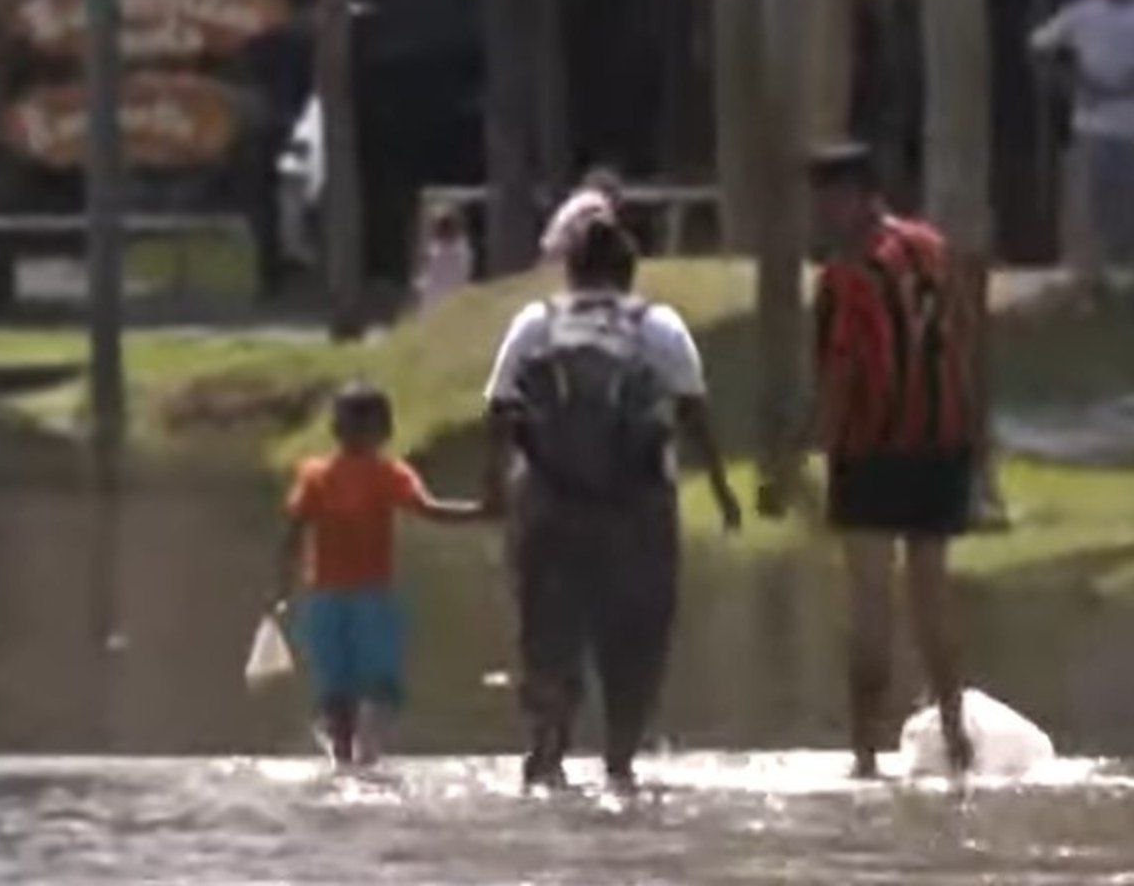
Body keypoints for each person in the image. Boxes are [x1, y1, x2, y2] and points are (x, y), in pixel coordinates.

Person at [481, 212, 741, 791]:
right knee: (635, 636)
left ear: (570, 272)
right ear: (630, 273)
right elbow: (693, 411)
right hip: (638, 508)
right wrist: (723, 493)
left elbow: (500, 409)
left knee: (548, 632)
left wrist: (494, 489)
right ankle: (621, 761)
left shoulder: (536, 323)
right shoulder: (660, 327)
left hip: (548, 505)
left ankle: (548, 745)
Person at [795, 143, 977, 779]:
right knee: (932, 599)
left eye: (824, 199)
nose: (817, 214)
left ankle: (865, 755)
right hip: (942, 444)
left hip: (873, 451)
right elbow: (962, 336)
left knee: (871, 599)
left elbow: (839, 374)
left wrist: (805, 451)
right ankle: (956, 742)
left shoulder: (846, 276)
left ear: (852, 196)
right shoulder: (932, 248)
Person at [275, 383, 493, 767]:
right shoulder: (386, 473)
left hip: (331, 599)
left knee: (337, 686)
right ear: (386, 432)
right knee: (373, 686)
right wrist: (482, 511)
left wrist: (281, 586)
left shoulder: (322, 475)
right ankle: (363, 755)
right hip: (365, 598)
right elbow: (432, 511)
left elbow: (293, 533)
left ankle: (347, 757)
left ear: (334, 429)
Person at [1029, 0, 1134, 294]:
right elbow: (1039, 50)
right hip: (1093, 124)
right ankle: (1093, 275)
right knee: (1094, 201)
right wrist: (1075, 83)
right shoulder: (1080, 14)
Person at [540, 165, 625, 262]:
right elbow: (591, 227)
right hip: (561, 252)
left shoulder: (582, 199)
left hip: (552, 246)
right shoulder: (596, 200)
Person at [413, 204, 474, 311]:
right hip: (447, 300)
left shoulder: (440, 250)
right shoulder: (460, 248)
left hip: (440, 300)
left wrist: (420, 284)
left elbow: (430, 276)